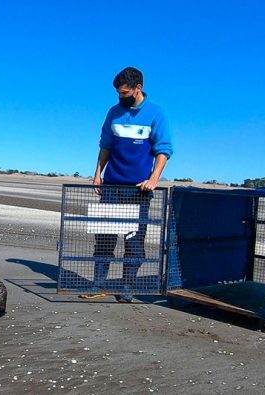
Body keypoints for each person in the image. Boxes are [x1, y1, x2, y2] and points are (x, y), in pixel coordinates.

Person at [79, 67, 173, 302]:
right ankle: (98, 285)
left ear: (138, 88)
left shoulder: (156, 113)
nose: (120, 97)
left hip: (138, 190)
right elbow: (105, 145)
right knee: (105, 239)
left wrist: (153, 179)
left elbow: (164, 150)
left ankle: (127, 287)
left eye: (124, 93)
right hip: (111, 186)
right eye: (118, 93)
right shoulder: (113, 112)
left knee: (133, 241)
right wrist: (98, 173)